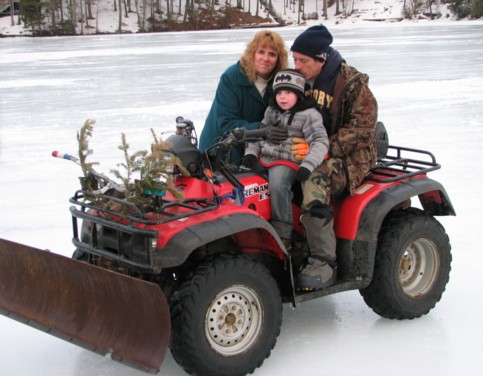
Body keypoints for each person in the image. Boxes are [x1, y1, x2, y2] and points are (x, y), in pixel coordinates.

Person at [290, 25, 379, 291]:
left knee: (314, 181)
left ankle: (323, 263)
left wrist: (322, 147)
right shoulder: (300, 81)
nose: (297, 66)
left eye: (303, 61)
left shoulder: (352, 83)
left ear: (322, 59)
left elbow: (363, 129)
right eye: (294, 59)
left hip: (350, 155)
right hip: (311, 148)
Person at [242, 69, 329, 249]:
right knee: (243, 182)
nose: (283, 97)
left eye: (288, 92)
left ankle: (283, 232)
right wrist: (250, 153)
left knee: (278, 184)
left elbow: (320, 141)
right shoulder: (271, 111)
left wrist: (308, 165)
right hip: (265, 156)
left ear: (298, 94)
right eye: (279, 92)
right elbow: (259, 135)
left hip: (288, 160)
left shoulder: (309, 115)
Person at [199, 30, 289, 163]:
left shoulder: (280, 83)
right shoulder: (232, 77)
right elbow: (226, 123)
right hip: (219, 150)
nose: (265, 58)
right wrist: (261, 129)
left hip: (253, 149)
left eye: (272, 54)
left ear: (279, 59)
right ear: (252, 53)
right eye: (261, 52)